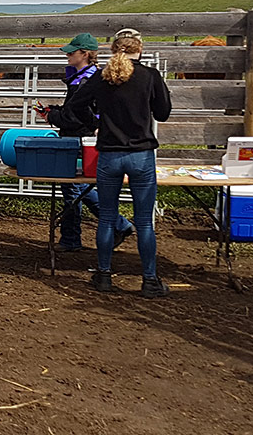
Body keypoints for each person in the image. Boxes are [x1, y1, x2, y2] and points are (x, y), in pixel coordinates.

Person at [63, 30, 172, 298]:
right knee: (144, 222)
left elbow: (75, 104)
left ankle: (103, 275)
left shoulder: (102, 76)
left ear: (113, 50)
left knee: (107, 217)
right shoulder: (149, 75)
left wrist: (96, 124)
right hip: (140, 153)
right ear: (140, 51)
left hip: (109, 154)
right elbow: (163, 113)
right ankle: (149, 279)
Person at [39, 32, 135, 253]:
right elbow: (75, 110)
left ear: (84, 54)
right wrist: (56, 111)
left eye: (71, 53)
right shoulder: (88, 76)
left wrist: (52, 116)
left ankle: (81, 235)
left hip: (79, 138)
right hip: (84, 136)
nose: (67, 56)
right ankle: (104, 228)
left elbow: (75, 116)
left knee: (74, 187)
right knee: (77, 186)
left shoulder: (84, 81)